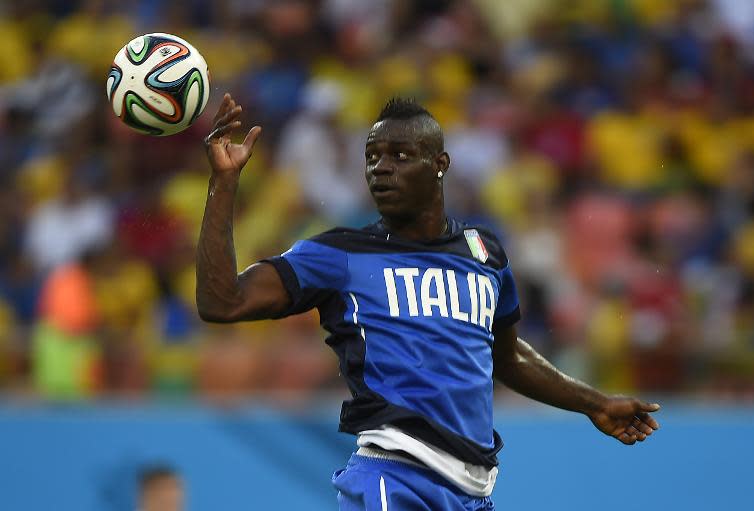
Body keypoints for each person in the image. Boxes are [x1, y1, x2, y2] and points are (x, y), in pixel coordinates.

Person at [196, 94, 661, 510]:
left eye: (399, 155)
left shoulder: (484, 253)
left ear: (440, 162)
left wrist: (594, 403)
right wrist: (223, 184)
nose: (381, 167)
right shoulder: (340, 254)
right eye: (372, 156)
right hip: (393, 477)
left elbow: (508, 355)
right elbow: (223, 302)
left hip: (473, 492)